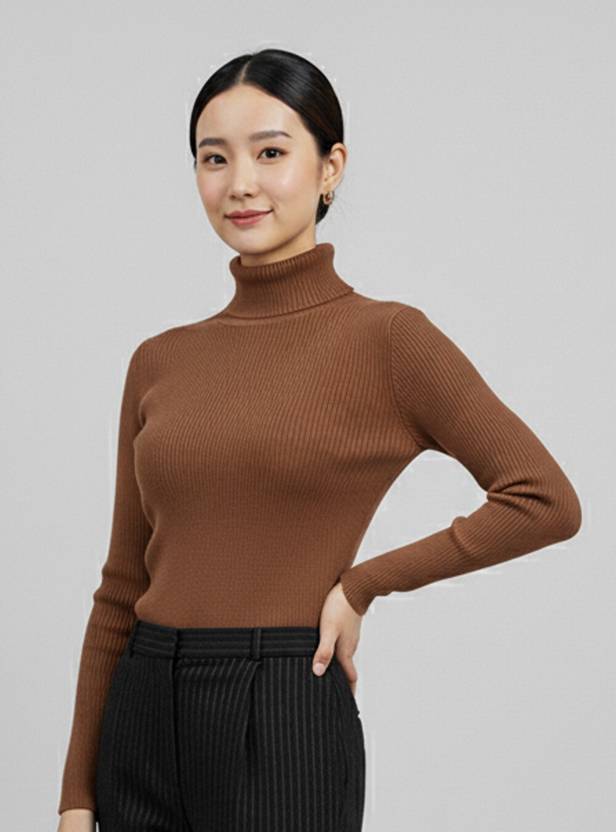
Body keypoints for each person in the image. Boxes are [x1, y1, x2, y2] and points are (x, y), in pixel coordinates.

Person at [57, 48, 582, 832]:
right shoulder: (159, 360)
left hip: (282, 708)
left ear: (330, 167)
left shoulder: (388, 341)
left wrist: (364, 583)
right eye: (214, 158)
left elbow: (544, 500)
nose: (240, 183)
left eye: (270, 153)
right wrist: (75, 795)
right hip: (142, 711)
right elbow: (121, 586)